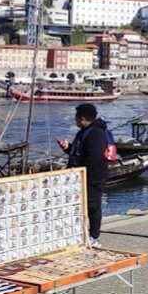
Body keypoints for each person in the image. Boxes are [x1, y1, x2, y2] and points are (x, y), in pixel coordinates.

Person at [56, 103, 110, 247]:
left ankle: (94, 237)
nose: (75, 120)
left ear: (83, 118)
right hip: (79, 176)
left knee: (93, 205)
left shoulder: (96, 133)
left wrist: (83, 175)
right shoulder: (83, 132)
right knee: (79, 206)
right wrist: (68, 148)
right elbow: (78, 152)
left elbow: (94, 158)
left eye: (76, 118)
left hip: (93, 177)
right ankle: (80, 232)